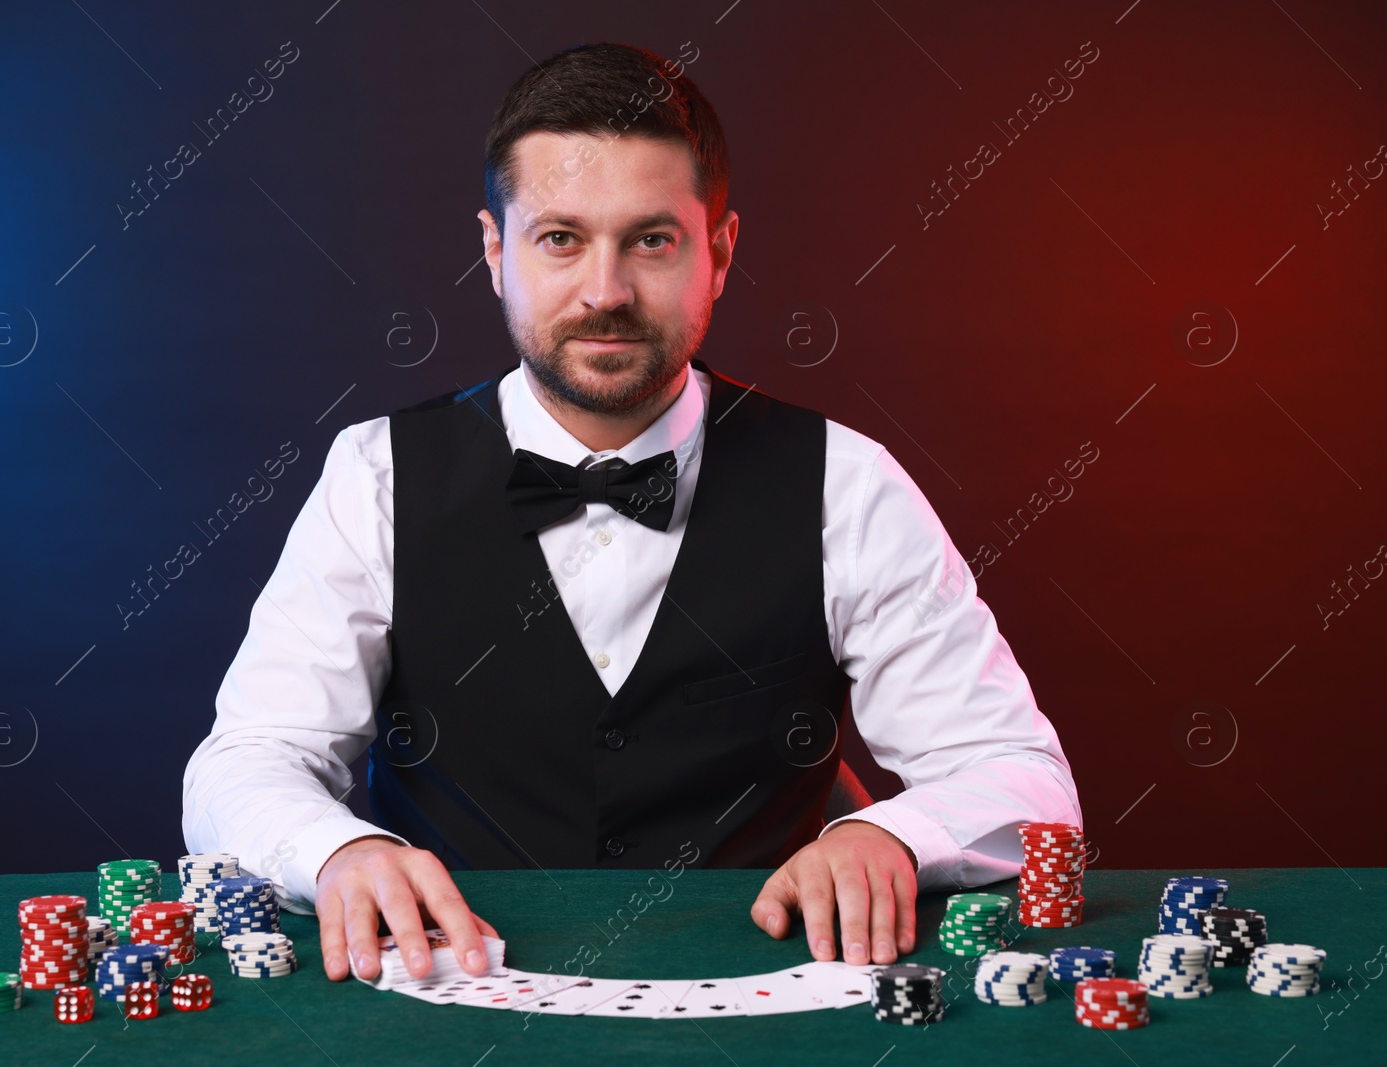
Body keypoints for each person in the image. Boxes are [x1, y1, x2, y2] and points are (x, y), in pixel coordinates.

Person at [183, 40, 1080, 990]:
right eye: (560, 238)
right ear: (495, 253)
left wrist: (887, 832)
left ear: (721, 252)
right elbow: (245, 762)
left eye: (651, 239)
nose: (605, 292)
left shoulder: (846, 482)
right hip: (446, 994)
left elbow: (1024, 779)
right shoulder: (375, 474)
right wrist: (336, 853)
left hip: (764, 999)